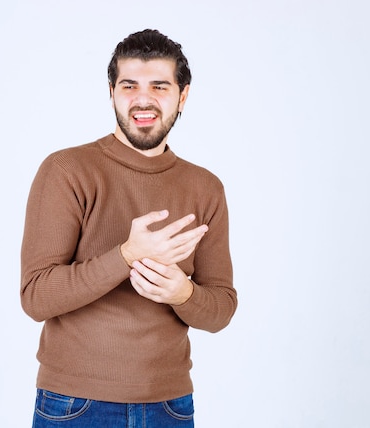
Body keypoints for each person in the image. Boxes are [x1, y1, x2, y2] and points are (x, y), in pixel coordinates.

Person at [20, 29, 237, 427]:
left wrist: (182, 292)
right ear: (111, 91)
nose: (143, 99)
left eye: (159, 86)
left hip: (170, 406)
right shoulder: (67, 171)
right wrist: (127, 255)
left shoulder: (205, 188)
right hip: (75, 405)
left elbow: (221, 310)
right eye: (129, 85)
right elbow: (35, 297)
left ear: (182, 96)